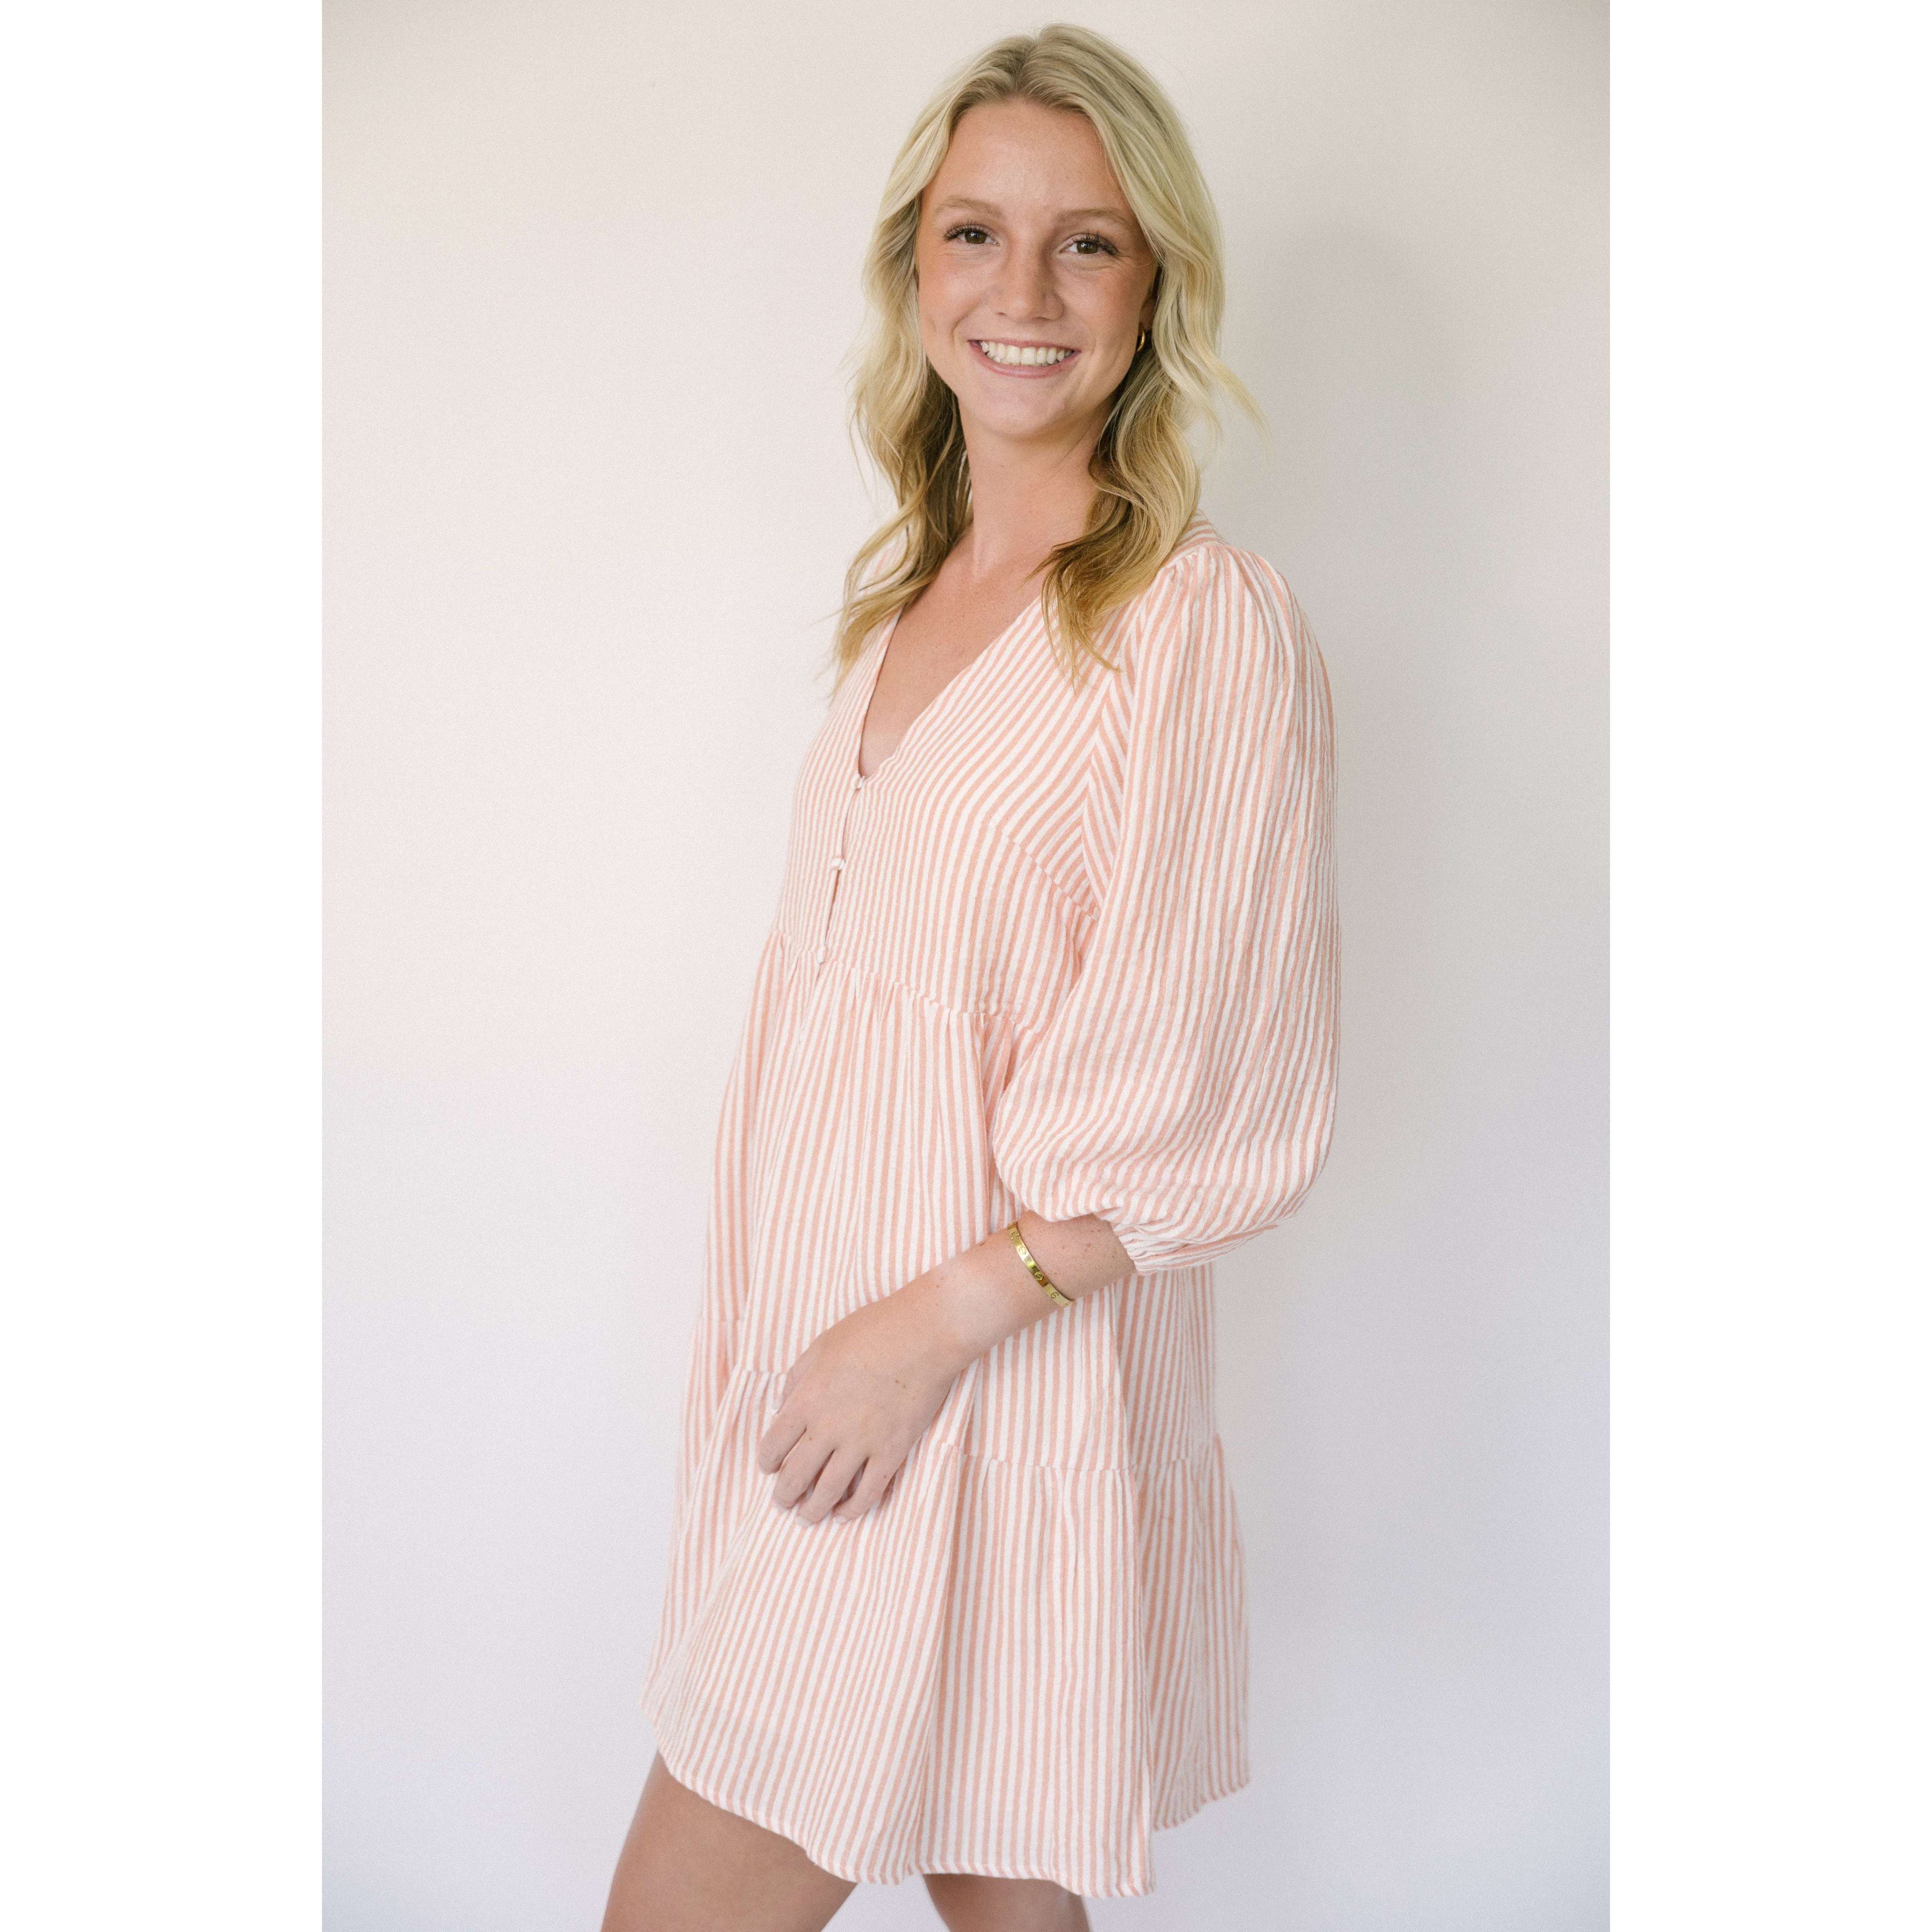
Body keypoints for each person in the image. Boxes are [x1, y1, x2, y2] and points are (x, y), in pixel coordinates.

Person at [600, 23, 1339, 1932]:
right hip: (843, 1387)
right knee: (1008, 1891)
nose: (1025, 292)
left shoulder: (1196, 626)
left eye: (1088, 243)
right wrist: (821, 1348)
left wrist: (918, 1331)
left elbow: (1211, 1104)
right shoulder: (908, 595)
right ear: (912, 268)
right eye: (975, 234)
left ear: (1156, 283)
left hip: (983, 1388)